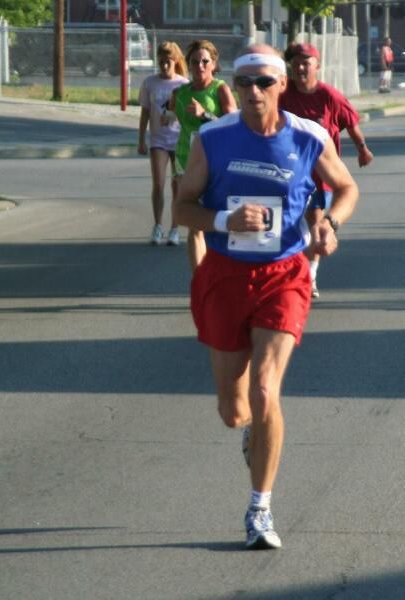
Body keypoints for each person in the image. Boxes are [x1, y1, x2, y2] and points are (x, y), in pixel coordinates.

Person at [174, 44, 359, 550]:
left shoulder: (308, 136)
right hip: (225, 273)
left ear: (281, 85)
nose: (253, 91)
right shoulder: (212, 138)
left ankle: (260, 508)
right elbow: (182, 209)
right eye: (244, 82)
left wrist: (330, 224)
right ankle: (252, 434)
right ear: (234, 86)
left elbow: (346, 188)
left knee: (264, 389)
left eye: (263, 82)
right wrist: (223, 220)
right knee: (234, 410)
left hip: (284, 274)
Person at [280, 42, 373, 298]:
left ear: (317, 65)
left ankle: (309, 276)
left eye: (306, 63)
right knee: (287, 224)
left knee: (314, 223)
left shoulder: (329, 96)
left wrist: (362, 148)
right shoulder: (283, 94)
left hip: (320, 176)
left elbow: (350, 123)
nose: (300, 68)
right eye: (296, 63)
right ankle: (291, 270)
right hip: (287, 175)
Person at [169, 39, 238, 270]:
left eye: (205, 61)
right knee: (195, 225)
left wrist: (205, 115)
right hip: (186, 159)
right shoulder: (180, 92)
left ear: (214, 64)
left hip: (215, 160)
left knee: (218, 219)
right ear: (188, 64)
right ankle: (199, 279)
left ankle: (219, 270)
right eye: (195, 62)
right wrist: (164, 115)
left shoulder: (220, 89)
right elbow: (169, 113)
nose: (200, 66)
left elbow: (233, 126)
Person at [137, 41, 188, 246]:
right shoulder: (150, 83)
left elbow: (188, 115)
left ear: (175, 61)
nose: (164, 65)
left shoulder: (183, 84)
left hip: (179, 140)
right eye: (161, 61)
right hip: (158, 140)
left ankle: (174, 229)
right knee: (158, 184)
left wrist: (174, 115)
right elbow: (145, 112)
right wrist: (141, 139)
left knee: (177, 185)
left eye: (168, 61)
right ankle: (157, 226)